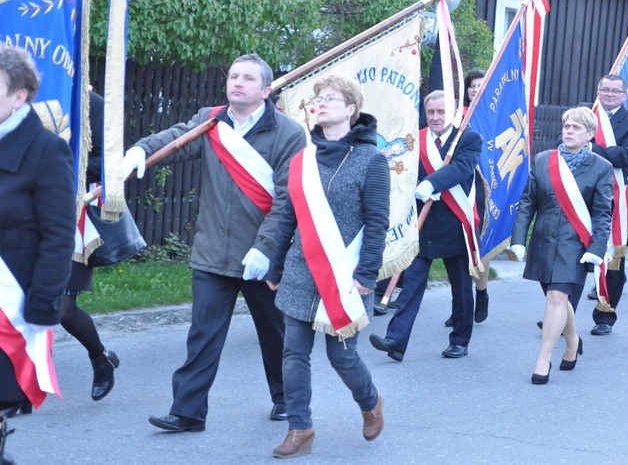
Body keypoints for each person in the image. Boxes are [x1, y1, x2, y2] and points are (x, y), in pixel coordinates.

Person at [122, 54, 307, 432]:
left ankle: (286, 399)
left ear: (267, 90)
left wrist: (267, 248)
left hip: (262, 256)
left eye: (248, 78)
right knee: (202, 335)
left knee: (275, 334)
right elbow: (176, 138)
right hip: (211, 253)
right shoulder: (211, 119)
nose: (237, 82)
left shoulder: (289, 133)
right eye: (234, 76)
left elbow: (288, 198)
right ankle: (188, 412)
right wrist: (141, 149)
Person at [265, 73, 390, 458]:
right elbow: (289, 215)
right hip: (302, 269)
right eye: (318, 99)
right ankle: (300, 427)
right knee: (293, 352)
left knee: (342, 355)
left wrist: (367, 273)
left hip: (345, 274)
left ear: (351, 110)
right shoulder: (303, 160)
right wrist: (275, 265)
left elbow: (377, 221)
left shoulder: (372, 160)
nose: (321, 104)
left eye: (331, 99)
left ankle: (370, 403)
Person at [0, 46, 76, 460]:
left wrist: (44, 303)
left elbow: (59, 234)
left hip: (10, 299)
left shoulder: (46, 150)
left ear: (19, 96)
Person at [369, 90, 482, 361]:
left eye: (441, 112)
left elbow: (462, 169)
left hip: (456, 222)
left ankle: (460, 339)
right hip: (422, 224)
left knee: (461, 287)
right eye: (431, 112)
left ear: (452, 112)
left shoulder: (467, 138)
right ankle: (396, 340)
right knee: (412, 283)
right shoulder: (414, 138)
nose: (435, 117)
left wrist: (433, 182)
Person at [511, 107, 613, 384]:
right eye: (566, 126)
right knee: (557, 299)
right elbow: (528, 202)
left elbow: (603, 213)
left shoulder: (601, 167)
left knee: (557, 298)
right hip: (544, 242)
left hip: (575, 246)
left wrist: (596, 247)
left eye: (576, 127)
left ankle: (543, 358)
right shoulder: (544, 160)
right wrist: (519, 239)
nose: (568, 131)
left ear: (590, 134)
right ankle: (573, 341)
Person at [60, 91, 120, 403]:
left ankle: (101, 360)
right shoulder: (20, 97)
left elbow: (111, 162)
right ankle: (19, 388)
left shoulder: (92, 104)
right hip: (25, 213)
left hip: (73, 215)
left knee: (63, 310)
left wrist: (67, 165)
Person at [585, 74, 628, 335]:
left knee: (613, 259)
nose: (609, 94)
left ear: (624, 95)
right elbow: (563, 142)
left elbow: (624, 156)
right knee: (572, 255)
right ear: (598, 91)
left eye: (615, 90)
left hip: (615, 198)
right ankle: (561, 311)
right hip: (581, 193)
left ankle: (605, 315)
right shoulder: (585, 113)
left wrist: (588, 147)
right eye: (604, 89)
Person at [446, 69, 490, 327]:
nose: (476, 89)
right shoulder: (456, 118)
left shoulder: (494, 116)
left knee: (478, 243)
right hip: (459, 185)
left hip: (485, 188)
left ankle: (481, 294)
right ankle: (460, 307)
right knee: (457, 248)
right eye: (472, 85)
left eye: (481, 85)